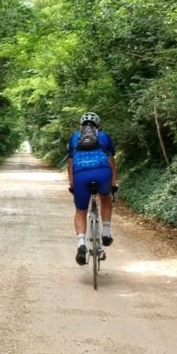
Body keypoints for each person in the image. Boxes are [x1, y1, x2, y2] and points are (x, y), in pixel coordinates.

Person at [66, 111, 117, 265]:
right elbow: (111, 161)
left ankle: (81, 244)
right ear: (98, 126)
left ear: (81, 126)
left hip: (80, 174)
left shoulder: (75, 137)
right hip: (102, 173)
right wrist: (113, 183)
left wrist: (72, 183)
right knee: (106, 197)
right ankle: (106, 233)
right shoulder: (104, 136)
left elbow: (70, 162)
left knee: (81, 210)